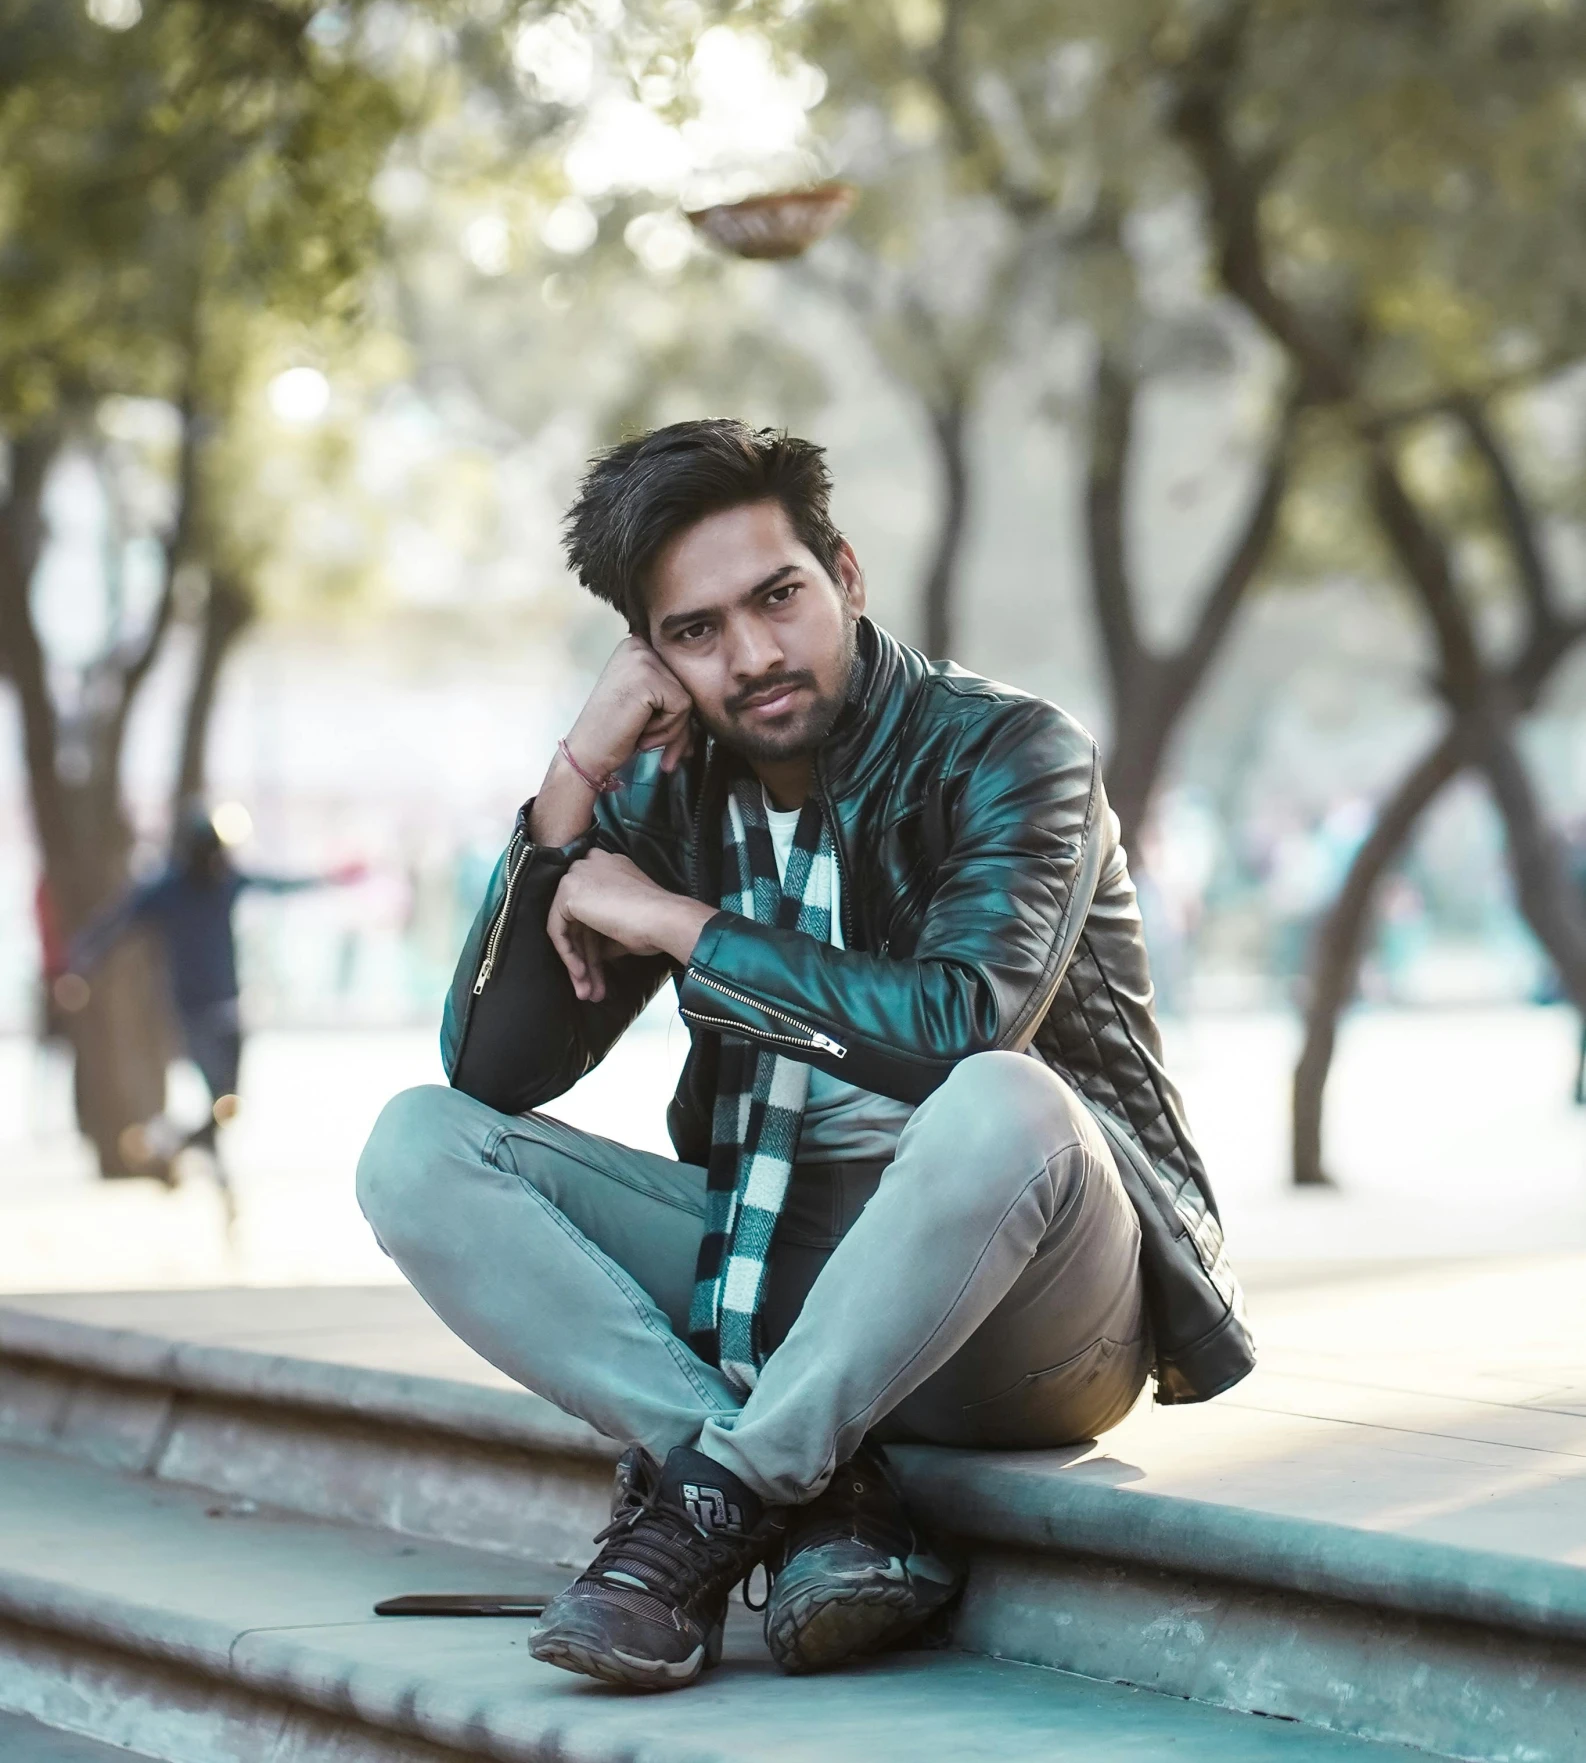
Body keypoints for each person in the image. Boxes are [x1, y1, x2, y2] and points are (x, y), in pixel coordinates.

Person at [357, 421, 1251, 1692]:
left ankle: (708, 1501)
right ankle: (791, 1488)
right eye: (698, 630)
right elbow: (493, 1075)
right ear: (652, 653)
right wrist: (573, 784)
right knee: (416, 1146)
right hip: (776, 1278)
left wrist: (679, 925)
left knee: (1000, 1098)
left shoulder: (1010, 752)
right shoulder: (667, 789)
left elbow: (959, 1026)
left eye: (778, 597)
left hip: (1033, 1306)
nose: (757, 653)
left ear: (843, 573)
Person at [69, 808, 360, 1179]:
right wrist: (79, 962)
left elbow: (276, 885)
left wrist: (329, 879)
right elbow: (117, 921)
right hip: (193, 1012)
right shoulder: (167, 889)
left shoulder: (225, 882)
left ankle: (174, 1143)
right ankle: (195, 1156)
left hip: (227, 1006)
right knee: (220, 1097)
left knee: (229, 1102)